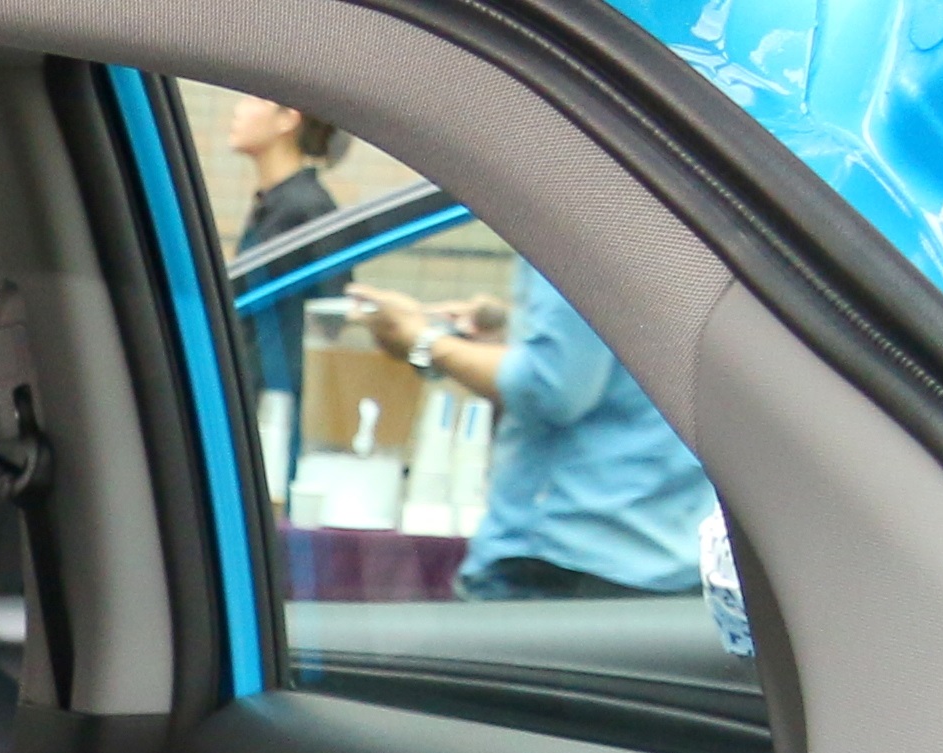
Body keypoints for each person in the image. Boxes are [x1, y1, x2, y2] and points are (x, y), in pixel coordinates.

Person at [353, 268, 709, 599]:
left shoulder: (576, 232)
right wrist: (514, 329)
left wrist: (424, 341)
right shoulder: (672, 237)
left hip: (561, 559)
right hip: (664, 548)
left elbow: (547, 387)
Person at [219, 95, 345, 405]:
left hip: (274, 398)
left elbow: (330, 314)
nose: (238, 108)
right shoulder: (275, 203)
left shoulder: (307, 208)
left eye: (255, 99)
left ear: (287, 118)